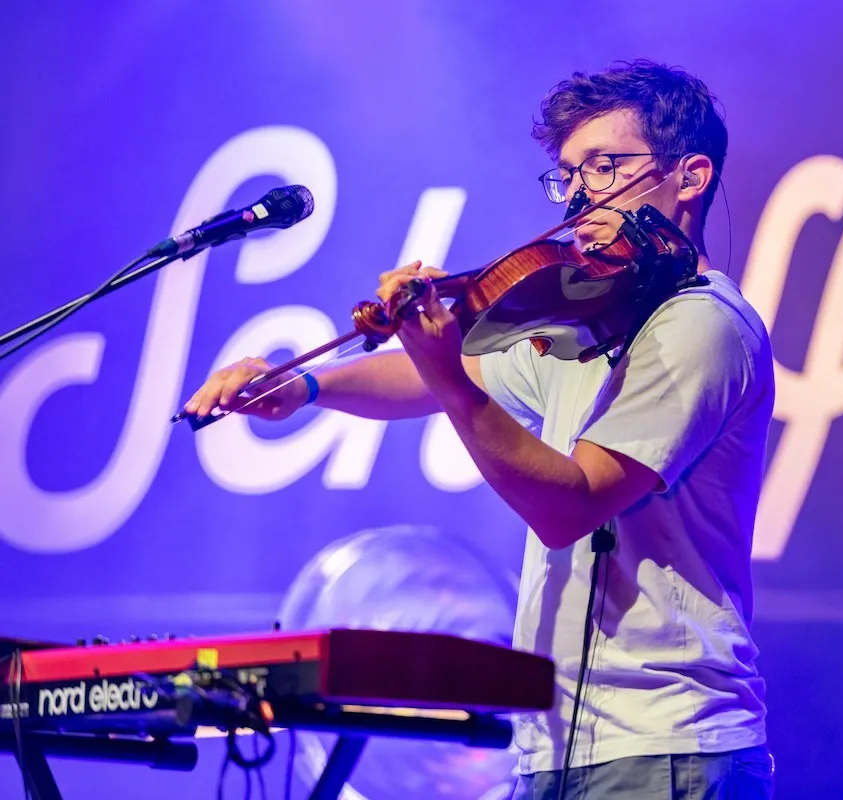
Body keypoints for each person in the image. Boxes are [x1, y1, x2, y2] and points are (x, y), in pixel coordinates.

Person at [184, 59, 775, 800]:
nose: (583, 191)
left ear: (690, 177)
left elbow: (569, 504)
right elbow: (428, 380)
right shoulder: (592, 320)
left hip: (667, 744)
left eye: (607, 165)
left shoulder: (699, 325)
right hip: (559, 746)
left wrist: (446, 373)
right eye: (570, 172)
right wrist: (303, 384)